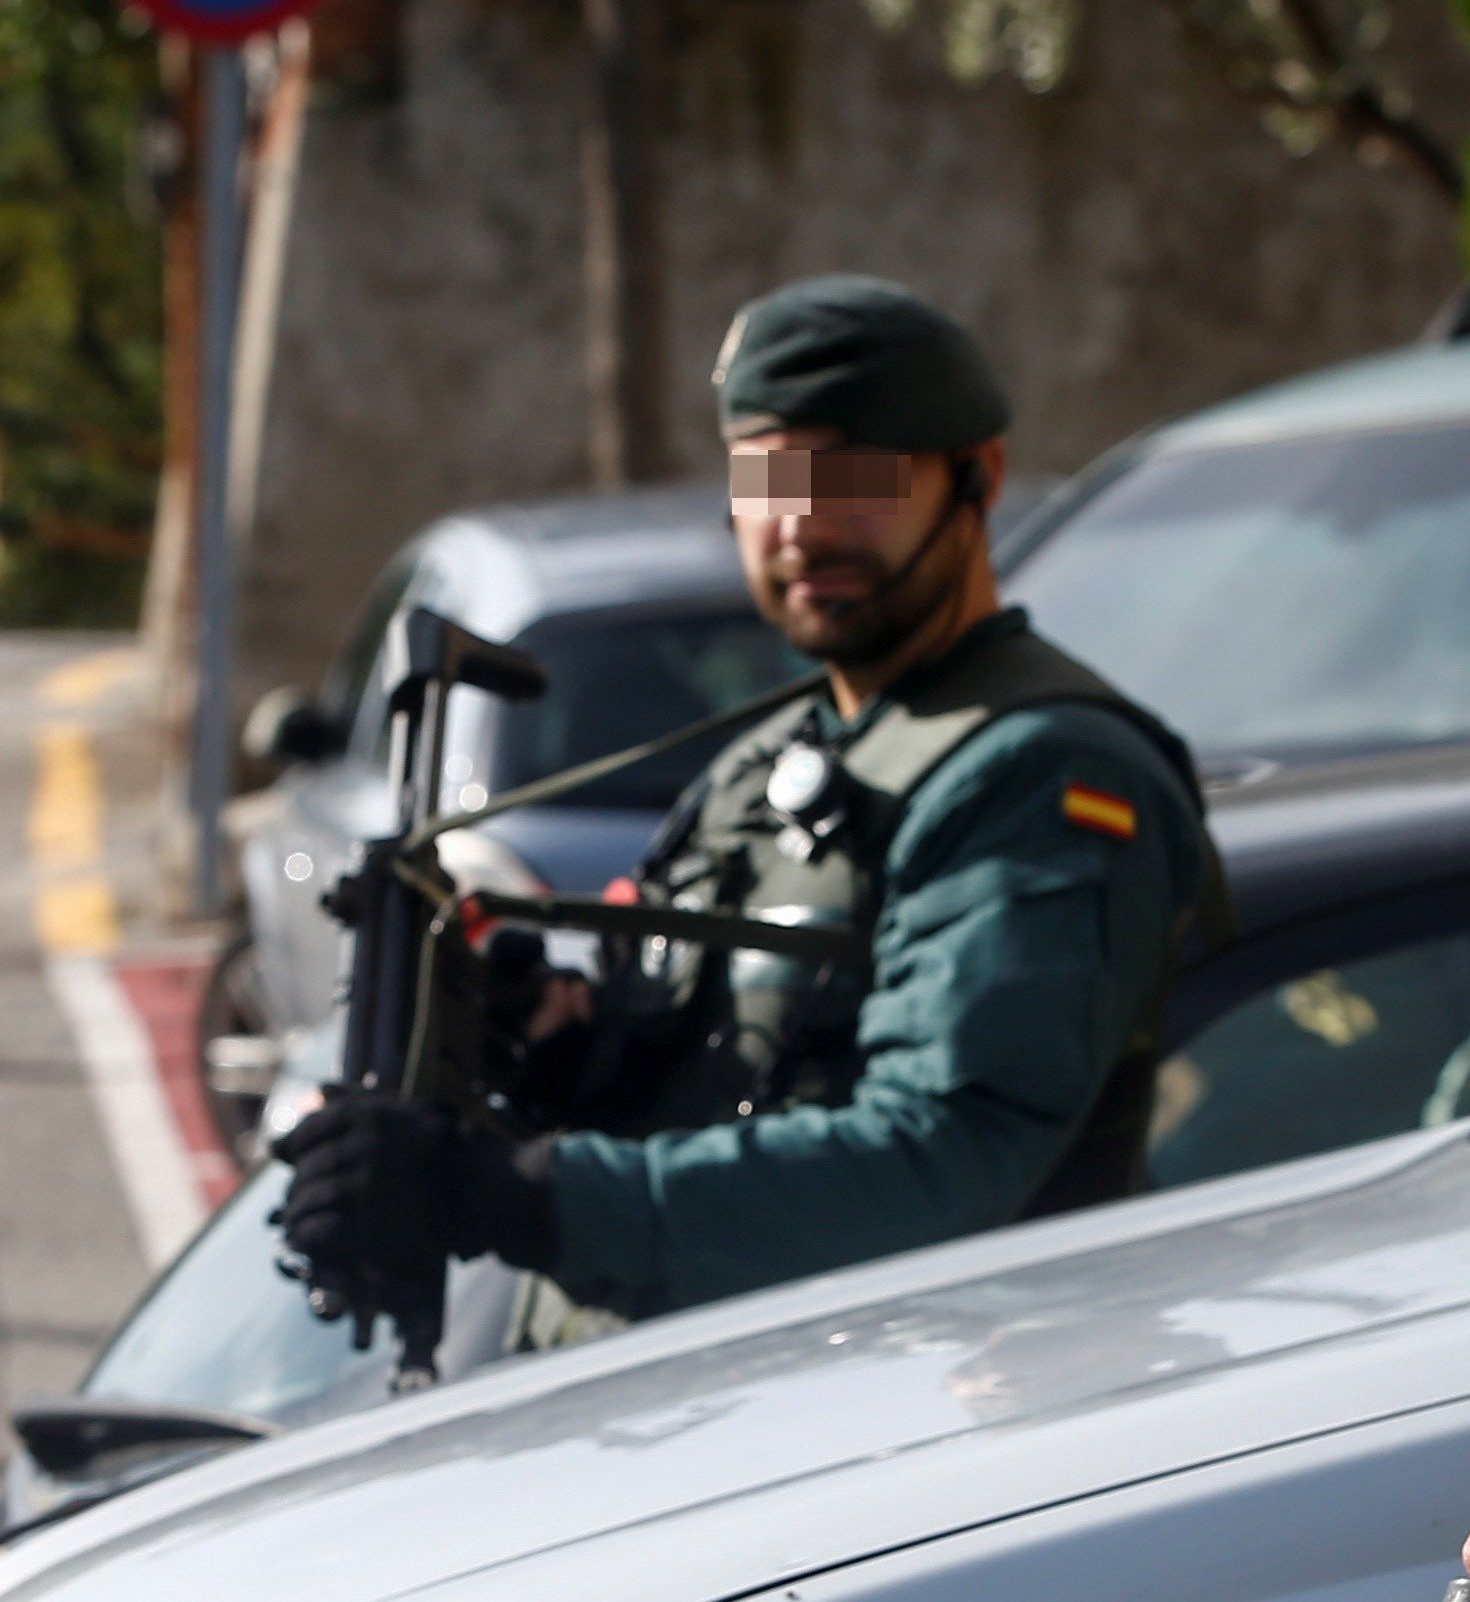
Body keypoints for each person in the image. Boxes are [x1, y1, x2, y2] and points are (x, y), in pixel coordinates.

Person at [276, 275, 1221, 1337]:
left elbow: (947, 1161)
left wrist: (520, 1194)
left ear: (979, 478)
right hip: (698, 1409)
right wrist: (550, 1043)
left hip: (898, 1426)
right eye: (770, 480)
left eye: (856, 476)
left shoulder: (1043, 771)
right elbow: (721, 1076)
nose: (804, 526)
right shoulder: (774, 759)